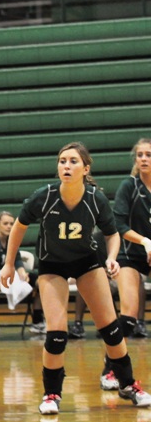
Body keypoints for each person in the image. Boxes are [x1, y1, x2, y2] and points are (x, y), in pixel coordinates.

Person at [0, 142, 151, 415]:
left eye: (72, 161)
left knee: (112, 329)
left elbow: (112, 232)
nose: (66, 166)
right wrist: (9, 264)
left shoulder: (95, 198)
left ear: (85, 168)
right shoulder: (44, 196)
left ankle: (128, 385)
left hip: (86, 263)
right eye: (62, 161)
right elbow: (20, 227)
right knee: (57, 333)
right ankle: (51, 394)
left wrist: (112, 257)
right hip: (52, 265)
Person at [99, 138, 151, 390]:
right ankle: (110, 370)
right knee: (128, 316)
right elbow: (118, 225)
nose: (143, 159)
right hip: (129, 254)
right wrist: (146, 242)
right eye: (139, 155)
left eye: (148, 154)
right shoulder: (129, 187)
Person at [0, 211, 45, 333]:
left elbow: (17, 258)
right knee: (22, 283)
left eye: (11, 223)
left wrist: (21, 272)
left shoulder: (11, 240)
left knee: (41, 281)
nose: (9, 226)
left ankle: (37, 320)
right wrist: (6, 275)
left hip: (10, 276)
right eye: (5, 223)